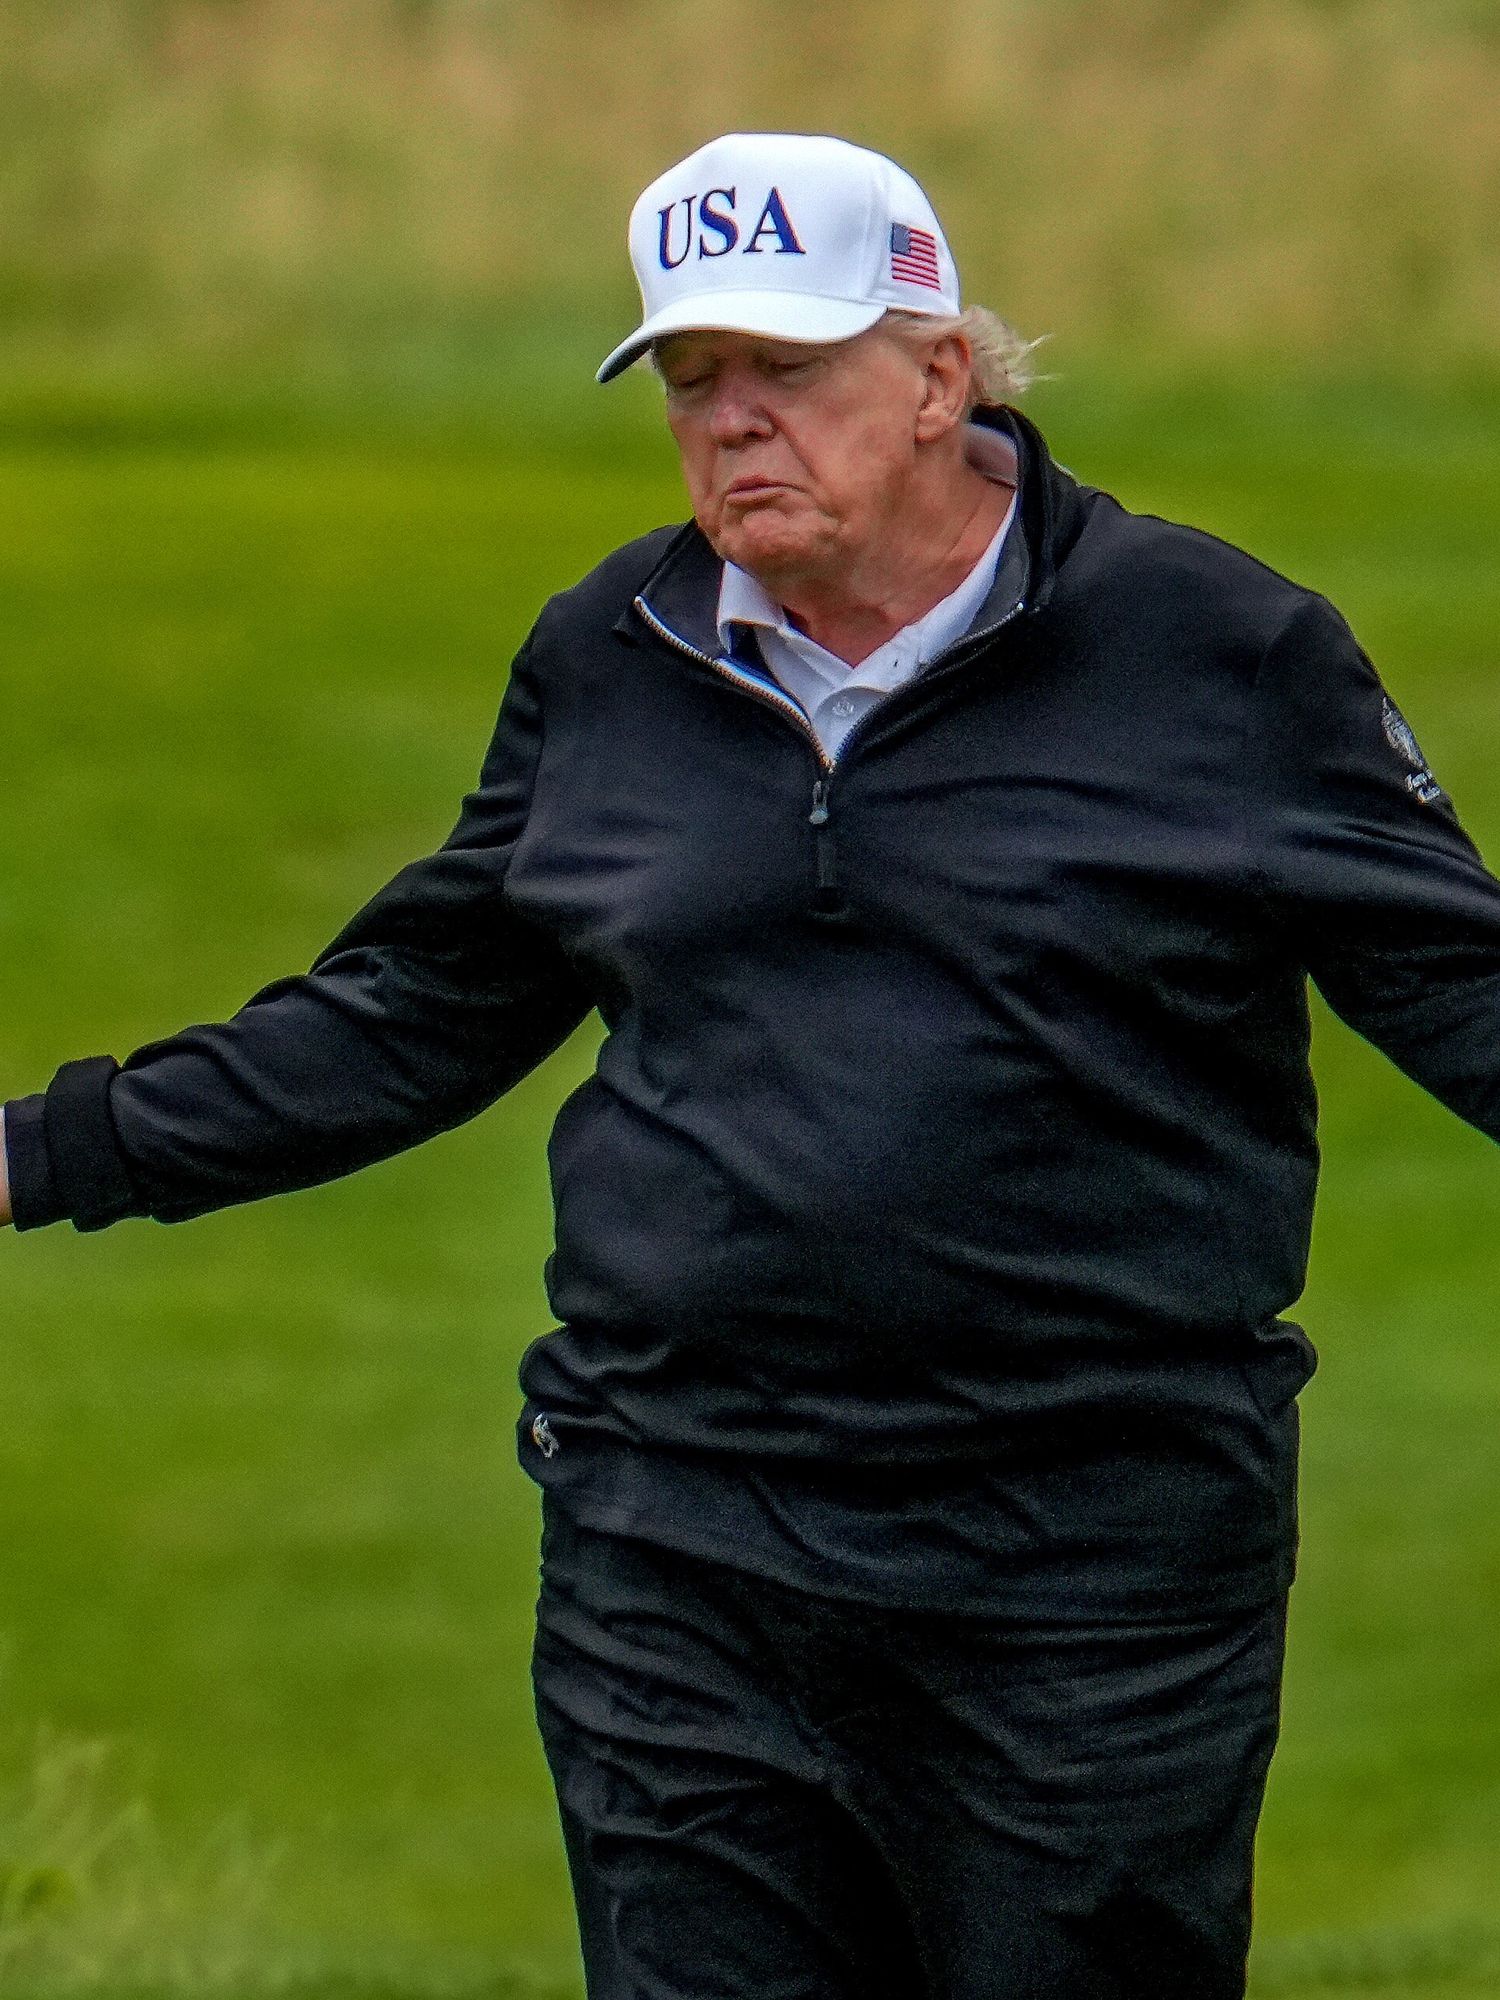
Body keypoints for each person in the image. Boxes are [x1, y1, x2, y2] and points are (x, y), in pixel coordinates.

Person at [3, 127, 1498, 1998]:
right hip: (677, 1546)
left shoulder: (1220, 658)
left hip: (1089, 1577)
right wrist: (37, 1153)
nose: (731, 427)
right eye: (693, 384)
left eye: (785, 372)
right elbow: (413, 1009)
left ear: (941, 370)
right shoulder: (612, 654)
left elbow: (1467, 992)